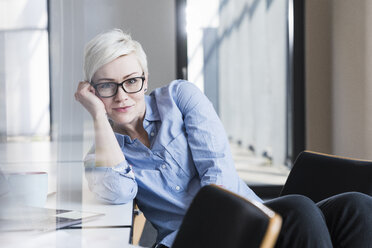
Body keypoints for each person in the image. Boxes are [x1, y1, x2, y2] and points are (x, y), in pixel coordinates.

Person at [75, 29, 372, 248]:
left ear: (145, 79)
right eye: (106, 87)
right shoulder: (102, 154)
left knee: (355, 206)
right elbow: (119, 194)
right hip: (194, 241)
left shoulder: (179, 97)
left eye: (131, 81)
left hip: (243, 218)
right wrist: (99, 117)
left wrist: (233, 224)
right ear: (92, 91)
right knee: (299, 209)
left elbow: (218, 173)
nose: (122, 95)